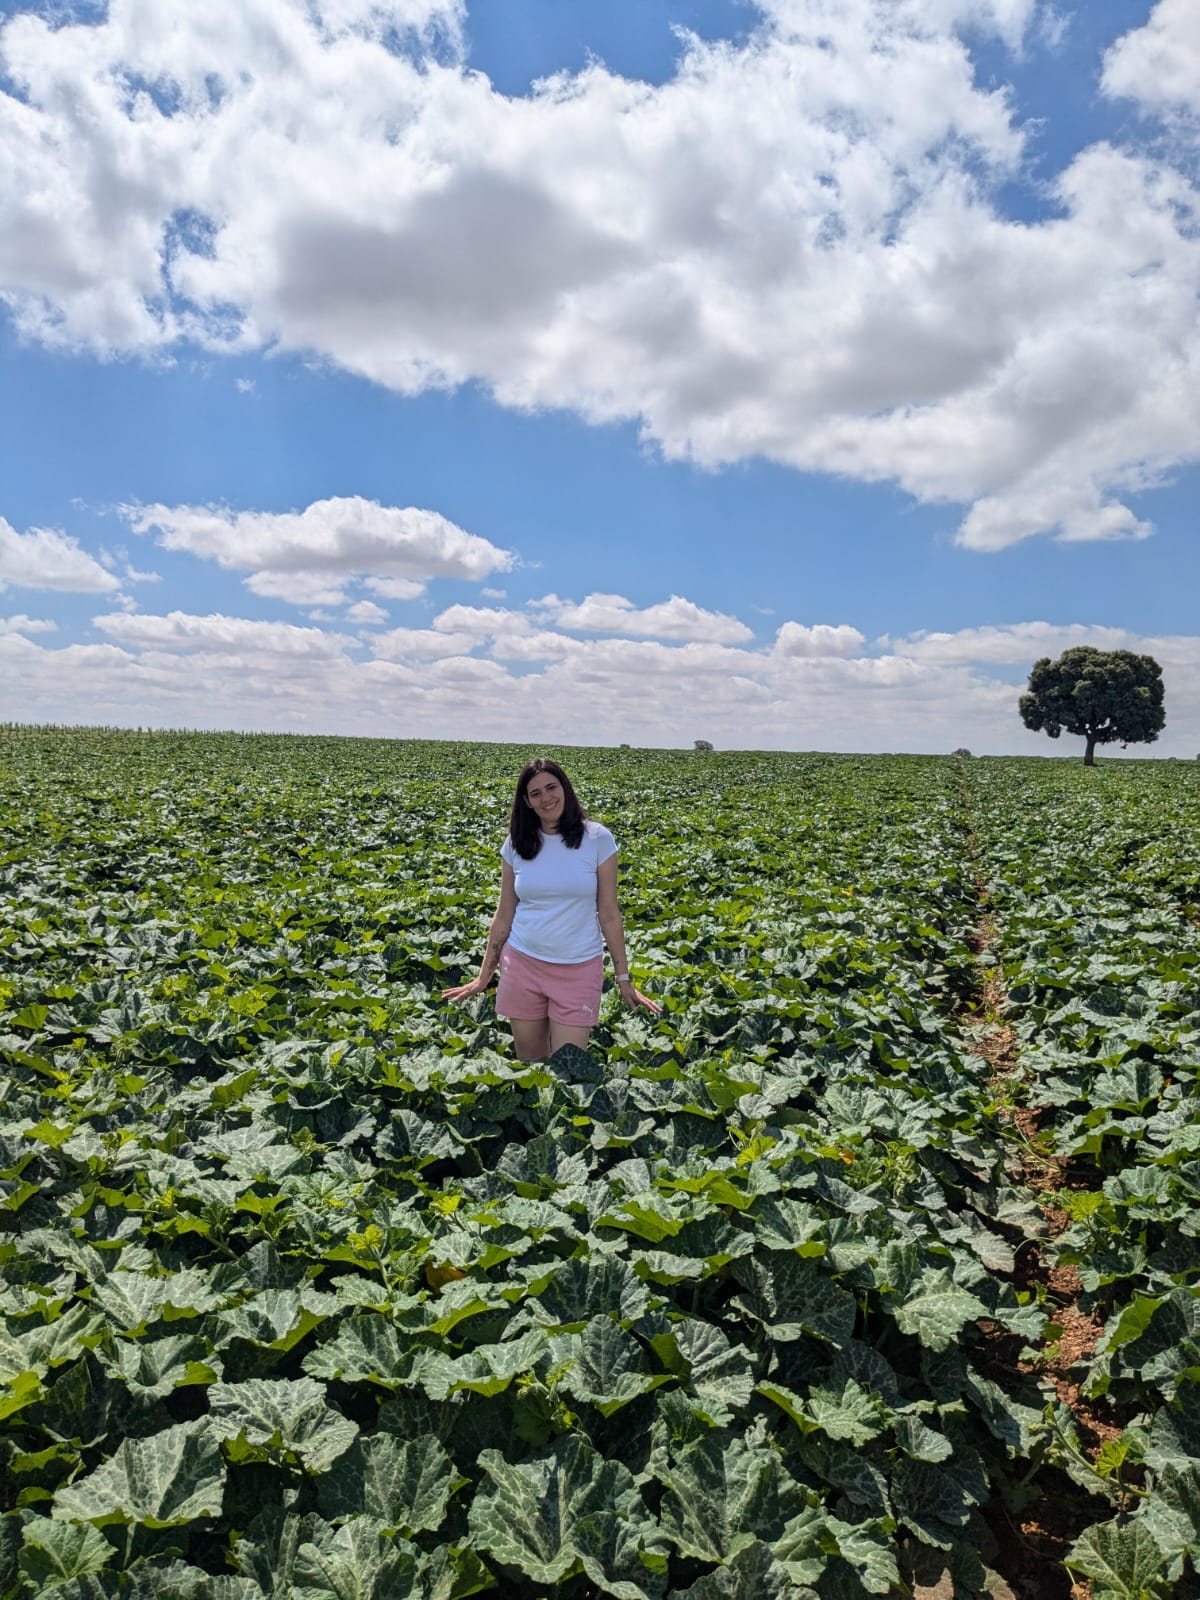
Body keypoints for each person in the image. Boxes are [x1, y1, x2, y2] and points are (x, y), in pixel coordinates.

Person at [441, 757, 661, 1059]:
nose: (546, 798)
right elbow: (504, 913)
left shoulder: (597, 839)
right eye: (535, 793)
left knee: (568, 1067)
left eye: (551, 787)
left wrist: (624, 979)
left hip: (579, 969)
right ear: (527, 802)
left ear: (565, 789)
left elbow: (609, 914)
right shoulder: (517, 844)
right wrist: (484, 976)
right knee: (531, 1066)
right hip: (521, 965)